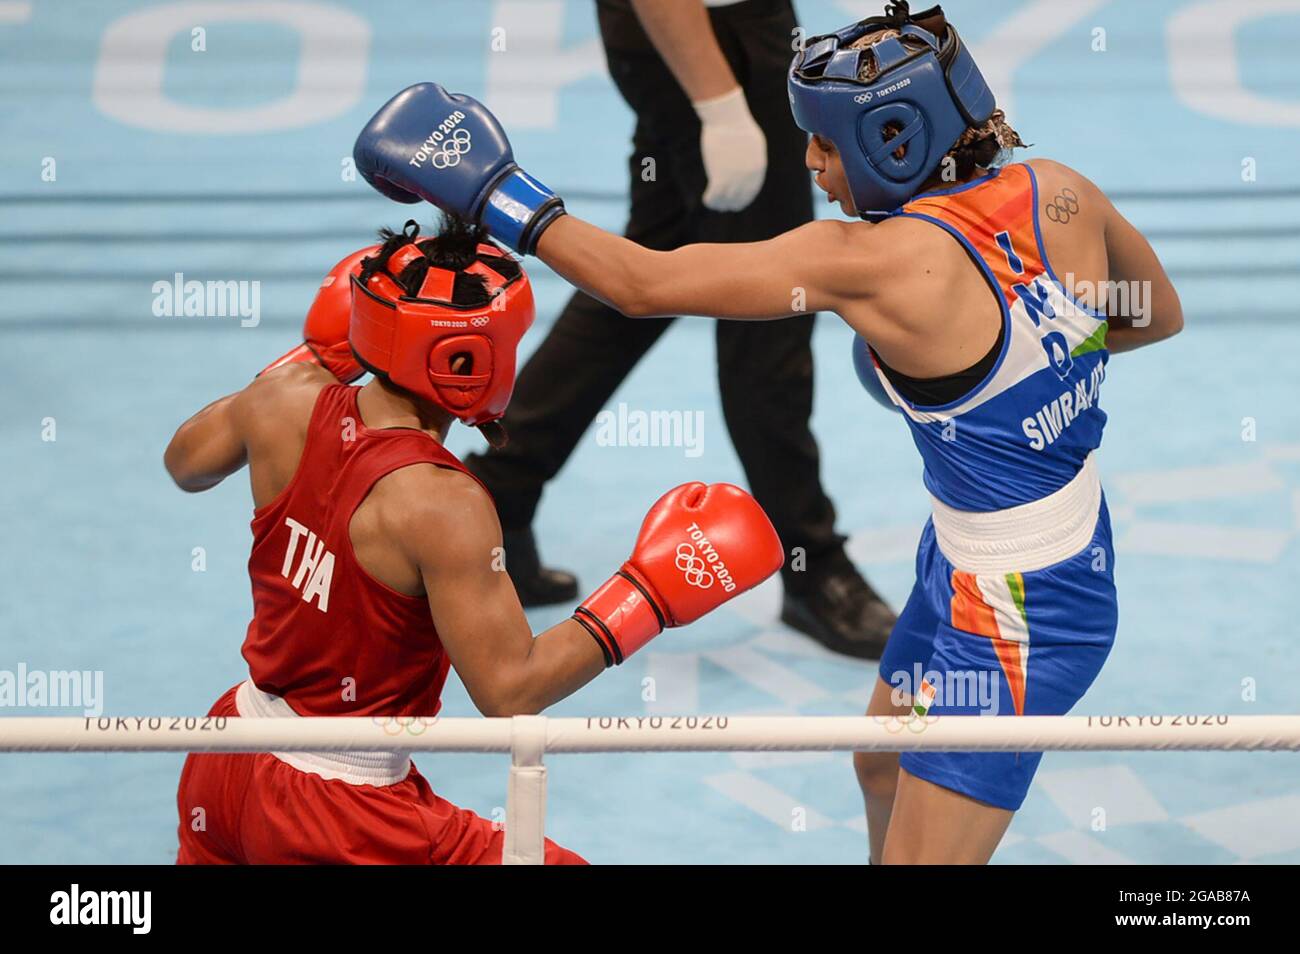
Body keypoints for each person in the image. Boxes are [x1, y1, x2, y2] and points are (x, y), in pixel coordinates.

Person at [351, 0, 1185, 864]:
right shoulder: (1061, 190)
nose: (811, 164)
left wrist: (498, 195)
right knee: (881, 766)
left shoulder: (864, 265)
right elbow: (1153, 315)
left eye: (824, 144)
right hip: (984, 560)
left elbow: (641, 284)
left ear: (892, 138)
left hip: (1019, 612)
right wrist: (1010, 371)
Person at [163, 216, 783, 864]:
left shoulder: (281, 399)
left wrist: (319, 357)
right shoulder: (443, 505)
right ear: (466, 362)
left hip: (229, 752)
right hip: (343, 812)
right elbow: (510, 689)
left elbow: (184, 463)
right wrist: (648, 594)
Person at [463, 0, 897, 660]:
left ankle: (500, 495)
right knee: (770, 313)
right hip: (712, 47)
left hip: (716, 41)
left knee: (649, 269)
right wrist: (720, 106)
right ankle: (813, 567)